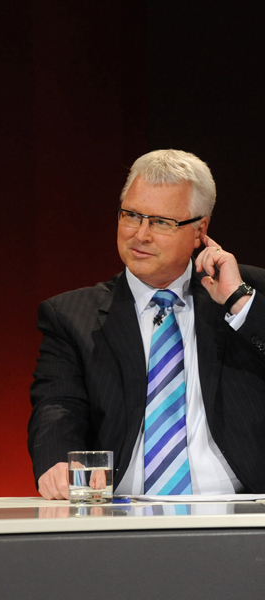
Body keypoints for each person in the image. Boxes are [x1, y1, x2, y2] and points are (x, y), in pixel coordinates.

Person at [28, 149, 265, 499]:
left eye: (161, 222)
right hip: (123, 512)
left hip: (243, 509)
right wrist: (58, 460)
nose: (140, 235)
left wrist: (240, 303)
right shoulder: (70, 315)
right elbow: (58, 405)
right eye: (131, 215)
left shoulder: (249, 292)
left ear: (199, 231)